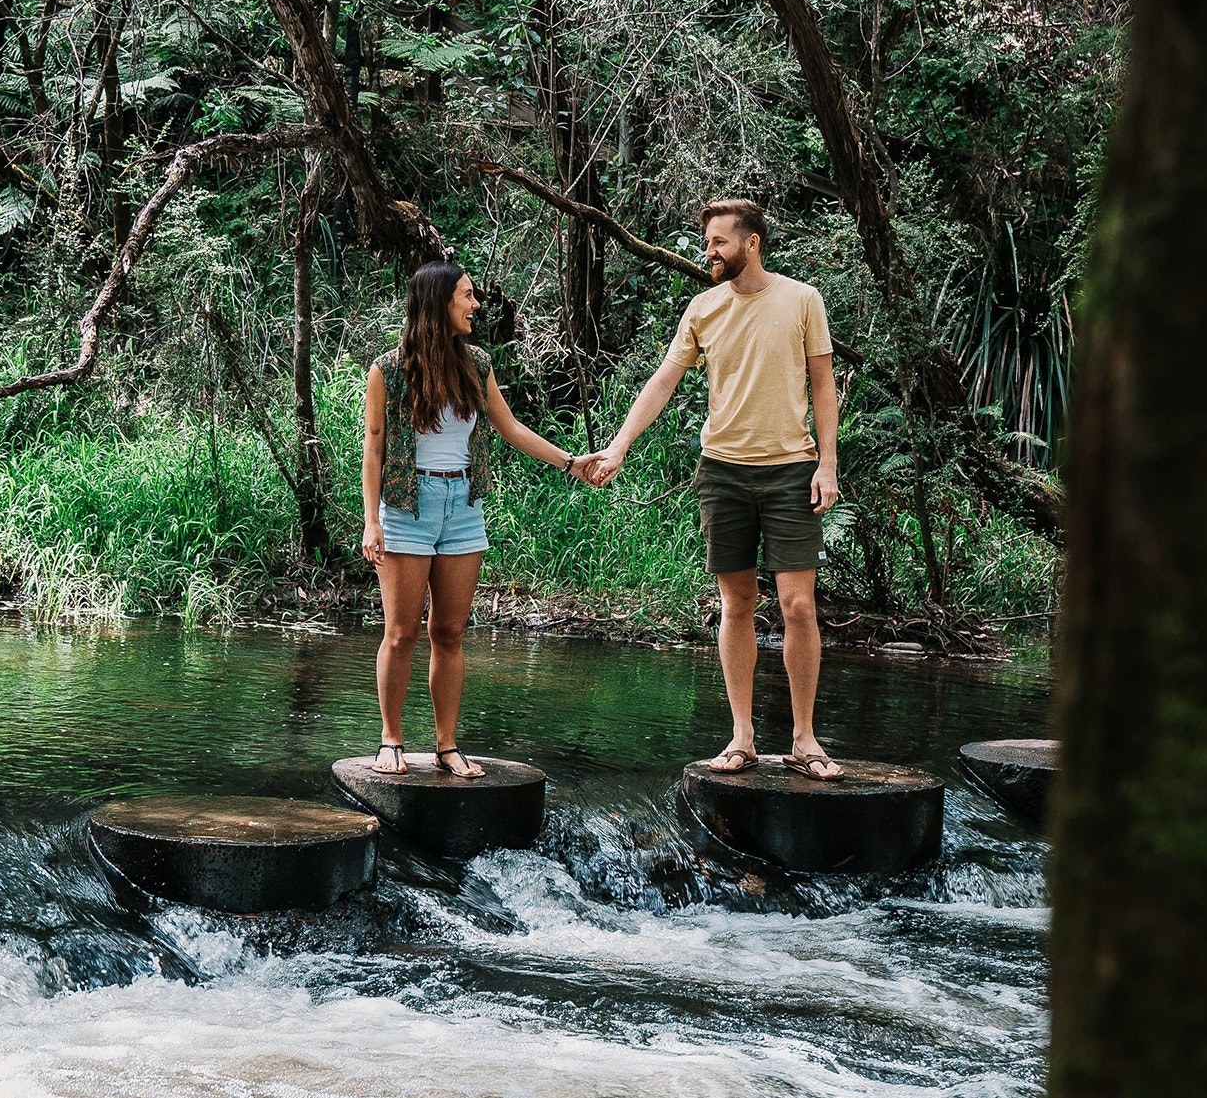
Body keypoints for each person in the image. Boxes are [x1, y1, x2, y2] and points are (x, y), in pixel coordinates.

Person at [584, 200, 845, 780]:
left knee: (798, 607)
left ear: (752, 243)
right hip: (722, 472)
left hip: (790, 470)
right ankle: (742, 737)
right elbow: (662, 384)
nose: (709, 252)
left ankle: (805, 739)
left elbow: (824, 387)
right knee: (737, 604)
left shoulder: (802, 300)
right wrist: (620, 446)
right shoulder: (702, 309)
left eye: (719, 242)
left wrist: (827, 463)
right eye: (707, 241)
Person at [362, 261, 597, 779]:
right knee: (401, 633)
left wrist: (570, 463)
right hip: (407, 506)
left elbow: (509, 426)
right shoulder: (389, 369)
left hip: (464, 506)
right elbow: (374, 448)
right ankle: (391, 740)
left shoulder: (478, 363)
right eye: (467, 296)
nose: (475, 305)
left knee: (448, 631)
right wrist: (371, 522)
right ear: (439, 301)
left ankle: (447, 746)